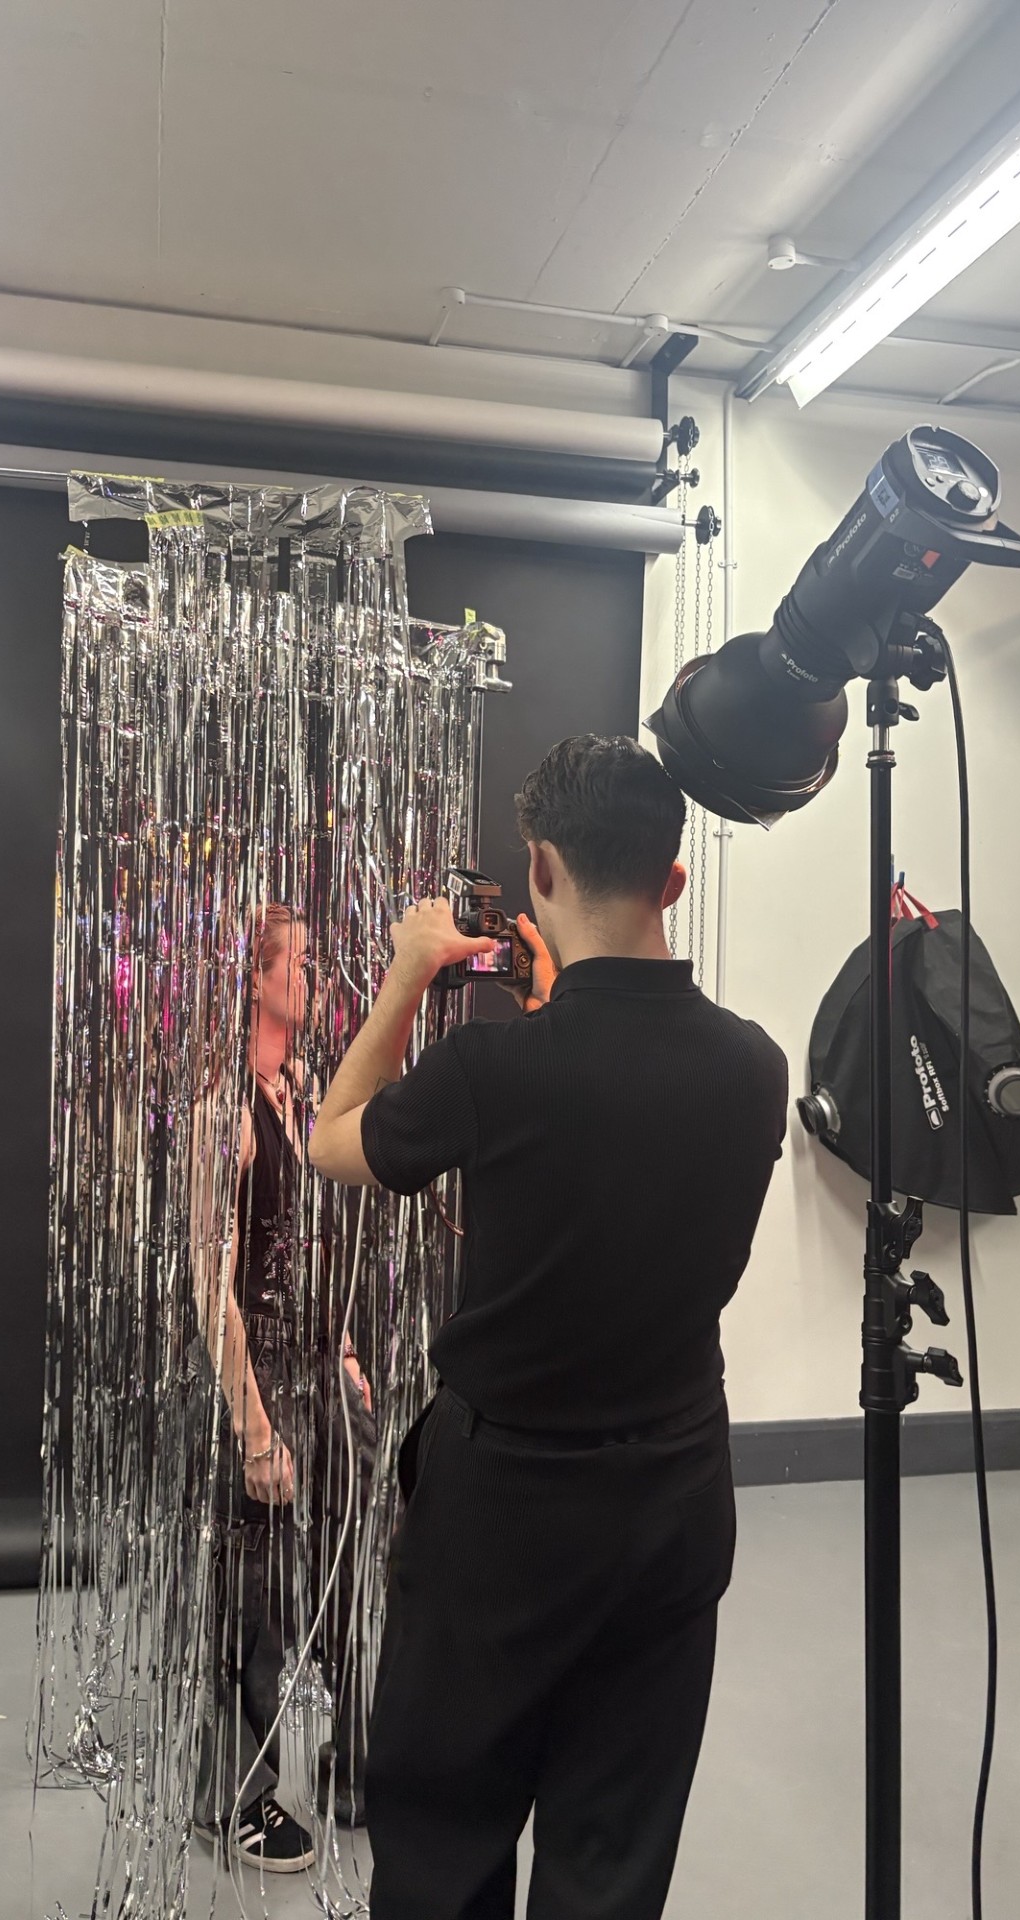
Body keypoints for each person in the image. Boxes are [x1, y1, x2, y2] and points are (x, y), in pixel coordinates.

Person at [309, 735, 788, 1920]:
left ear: (538, 871)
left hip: (504, 1512)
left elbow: (335, 1136)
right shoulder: (755, 1068)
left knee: (445, 1828)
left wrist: (410, 973)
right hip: (674, 1493)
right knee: (616, 1846)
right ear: (673, 880)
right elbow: (615, 1138)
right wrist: (552, 1000)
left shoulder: (492, 1067)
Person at [190, 905, 374, 1875]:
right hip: (257, 1368)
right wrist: (253, 1424)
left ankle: (354, 1758)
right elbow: (208, 1280)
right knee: (251, 1597)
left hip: (312, 1356)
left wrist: (339, 1347)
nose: (313, 974)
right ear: (254, 980)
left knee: (353, 1568)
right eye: (298, 962)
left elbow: (303, 1245)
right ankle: (236, 1798)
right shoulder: (225, 1109)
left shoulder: (300, 1091)